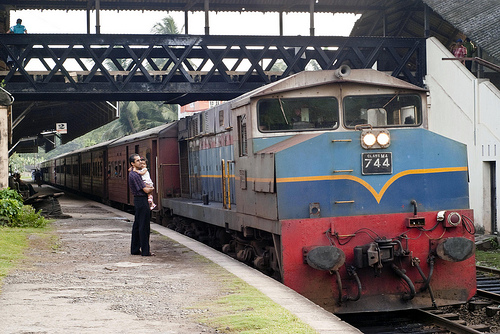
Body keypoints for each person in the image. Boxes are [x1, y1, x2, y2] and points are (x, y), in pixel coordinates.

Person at [128, 154, 155, 256]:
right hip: (141, 200)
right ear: (132, 163)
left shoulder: (134, 174)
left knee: (137, 225)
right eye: (138, 160)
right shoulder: (135, 175)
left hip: (139, 200)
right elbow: (146, 189)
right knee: (144, 226)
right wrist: (152, 188)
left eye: (140, 160)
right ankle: (145, 251)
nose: (140, 162)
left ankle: (135, 249)